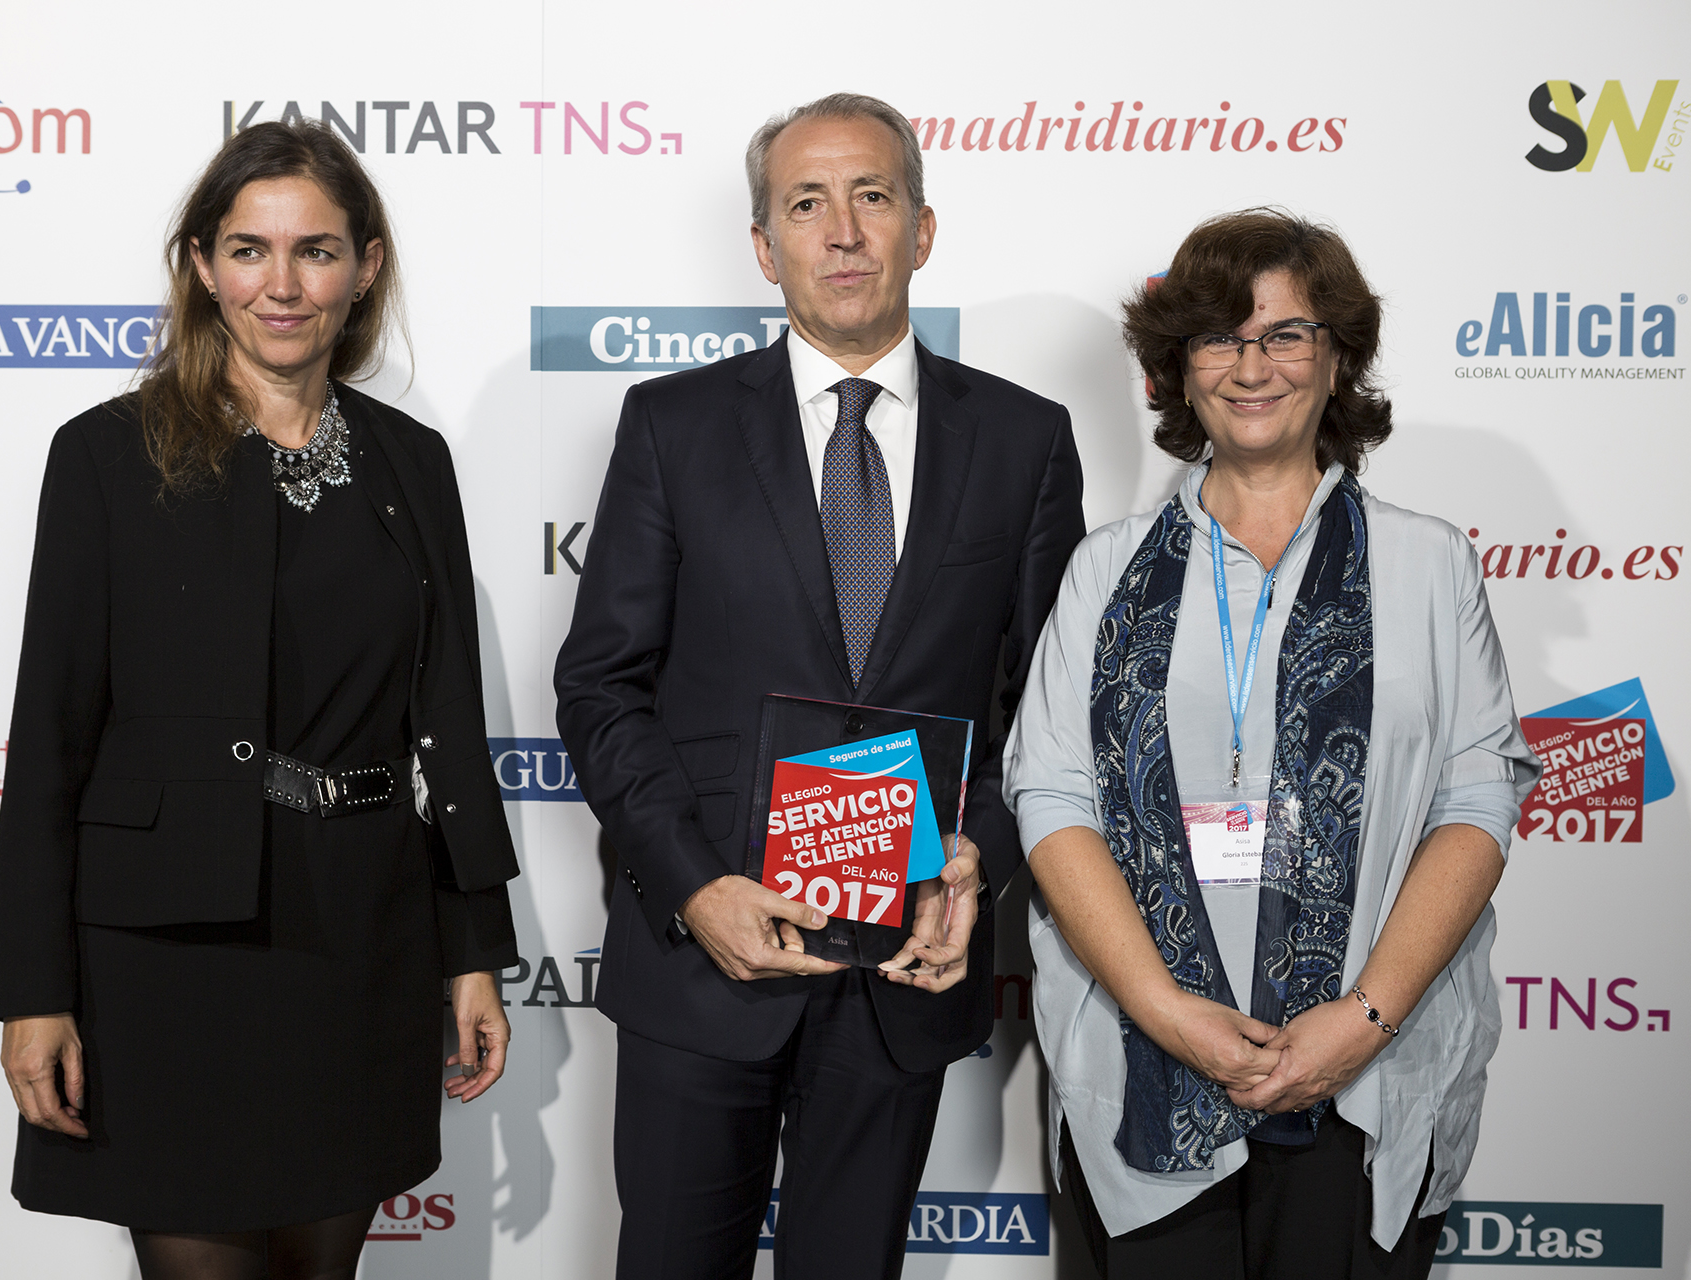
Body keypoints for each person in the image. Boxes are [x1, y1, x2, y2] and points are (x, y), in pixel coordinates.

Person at [554, 92, 1086, 1279]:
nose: (842, 230)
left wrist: (979, 858)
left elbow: (1047, 711)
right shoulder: (671, 424)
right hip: (703, 957)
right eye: (806, 204)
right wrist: (695, 888)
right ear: (765, 245)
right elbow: (600, 688)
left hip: (902, 960)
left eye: (872, 196)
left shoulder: (1024, 439)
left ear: (922, 228)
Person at [0, 120, 521, 1280]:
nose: (282, 285)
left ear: (365, 267)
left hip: (360, 935)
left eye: (315, 251)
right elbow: (51, 740)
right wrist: (33, 990)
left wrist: (474, 947)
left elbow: (444, 724)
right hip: (168, 955)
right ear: (201, 264)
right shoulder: (107, 456)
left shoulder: (413, 460)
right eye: (248, 249)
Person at [1004, 209, 1541, 1279]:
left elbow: (1477, 800)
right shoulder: (1105, 568)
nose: (1252, 367)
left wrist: (1364, 1019)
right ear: (1178, 367)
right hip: (1146, 1066)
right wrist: (1167, 1012)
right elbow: (1053, 796)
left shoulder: (1429, 564)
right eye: (1219, 337)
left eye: (1286, 334)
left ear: (1337, 359)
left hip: (1363, 1070)